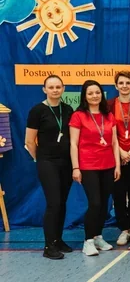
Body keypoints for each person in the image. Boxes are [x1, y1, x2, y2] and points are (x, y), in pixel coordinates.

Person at [69, 80, 121, 256]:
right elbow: (73, 144)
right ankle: (88, 241)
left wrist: (117, 165)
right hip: (88, 165)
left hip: (108, 165)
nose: (94, 96)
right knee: (95, 203)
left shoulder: (109, 115)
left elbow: (114, 143)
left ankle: (98, 236)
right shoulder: (78, 116)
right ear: (84, 96)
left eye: (97, 92)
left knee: (104, 204)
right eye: (90, 93)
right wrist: (75, 168)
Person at [25, 75, 74, 259]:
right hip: (47, 162)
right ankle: (48, 246)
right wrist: (40, 159)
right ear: (44, 89)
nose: (55, 90)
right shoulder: (37, 111)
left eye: (58, 87)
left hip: (66, 163)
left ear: (63, 89)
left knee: (62, 203)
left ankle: (58, 239)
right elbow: (29, 141)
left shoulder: (68, 109)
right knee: (53, 203)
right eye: (51, 87)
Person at [108, 71, 130, 247]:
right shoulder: (108, 105)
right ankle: (123, 229)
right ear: (116, 86)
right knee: (119, 194)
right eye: (121, 83)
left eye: (128, 83)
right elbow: (106, 131)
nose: (124, 86)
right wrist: (121, 152)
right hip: (115, 156)